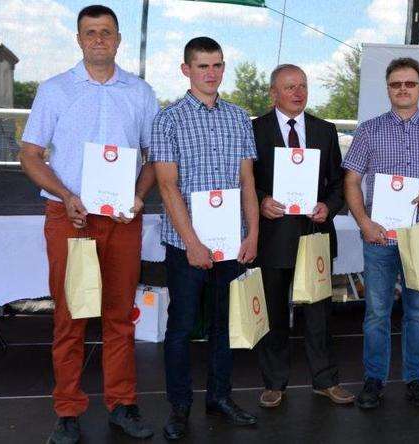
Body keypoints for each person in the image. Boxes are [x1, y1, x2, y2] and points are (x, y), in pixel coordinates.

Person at [19, 5, 157, 443]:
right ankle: (68, 410)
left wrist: (139, 195)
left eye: (106, 32)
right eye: (91, 32)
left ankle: (122, 404)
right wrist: (66, 195)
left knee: (120, 315)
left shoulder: (140, 92)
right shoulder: (55, 90)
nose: (99, 39)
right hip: (71, 217)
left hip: (121, 218)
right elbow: (30, 155)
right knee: (70, 316)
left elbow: (153, 157)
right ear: (79, 39)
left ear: (118, 40)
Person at [150, 37, 259, 441]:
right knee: (180, 328)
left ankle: (220, 398)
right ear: (186, 70)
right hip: (186, 246)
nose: (211, 73)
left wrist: (253, 233)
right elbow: (167, 186)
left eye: (217, 65)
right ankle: (179, 407)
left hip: (231, 243)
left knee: (224, 326)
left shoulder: (239, 117)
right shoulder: (168, 119)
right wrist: (192, 242)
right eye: (202, 66)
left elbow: (247, 181)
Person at [343, 57, 419, 409]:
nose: (403, 89)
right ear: (388, 89)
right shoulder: (369, 130)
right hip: (380, 237)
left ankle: (415, 378)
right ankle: (374, 379)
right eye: (396, 84)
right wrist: (364, 223)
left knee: (418, 314)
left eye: (409, 83)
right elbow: (351, 179)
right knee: (376, 314)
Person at [251, 64, 354, 408]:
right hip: (272, 237)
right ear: (273, 93)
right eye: (290, 87)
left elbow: (338, 183)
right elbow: (244, 181)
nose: (298, 93)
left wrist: (329, 206)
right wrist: (261, 201)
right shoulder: (254, 130)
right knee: (274, 313)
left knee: (319, 314)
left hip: (315, 234)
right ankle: (274, 383)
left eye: (303, 86)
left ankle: (326, 381)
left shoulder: (325, 130)